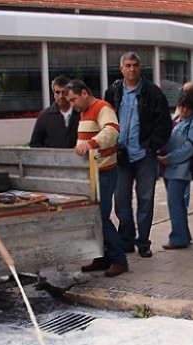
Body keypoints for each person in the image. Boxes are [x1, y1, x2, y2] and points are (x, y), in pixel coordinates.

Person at [104, 52, 172, 258]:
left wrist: (152, 147)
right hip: (120, 157)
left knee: (146, 200)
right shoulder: (113, 92)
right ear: (121, 68)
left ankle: (143, 242)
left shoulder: (153, 93)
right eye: (128, 65)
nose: (132, 69)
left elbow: (164, 124)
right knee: (121, 201)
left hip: (144, 156)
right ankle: (126, 240)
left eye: (135, 65)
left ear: (140, 67)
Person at [68, 79, 128, 277]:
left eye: (73, 99)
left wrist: (92, 143)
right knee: (95, 217)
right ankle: (102, 257)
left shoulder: (102, 107)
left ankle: (119, 259)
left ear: (84, 93)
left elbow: (112, 130)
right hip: (94, 172)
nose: (72, 104)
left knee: (101, 217)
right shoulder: (85, 111)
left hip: (104, 171)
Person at [157, 91, 193, 249]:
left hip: (181, 168)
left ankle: (178, 238)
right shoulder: (178, 120)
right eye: (182, 107)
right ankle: (183, 235)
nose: (184, 111)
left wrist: (170, 158)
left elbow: (190, 147)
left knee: (174, 203)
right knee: (177, 203)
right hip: (169, 168)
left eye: (188, 108)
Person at [29, 76, 80, 148]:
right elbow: (35, 144)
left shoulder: (81, 113)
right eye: (57, 92)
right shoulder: (44, 116)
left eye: (64, 92)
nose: (61, 96)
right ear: (54, 93)